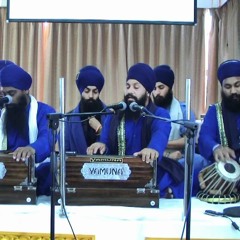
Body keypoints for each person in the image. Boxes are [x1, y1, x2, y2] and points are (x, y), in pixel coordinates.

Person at [87, 63, 171, 192]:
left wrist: (152, 149)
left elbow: (161, 134)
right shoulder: (114, 114)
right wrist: (101, 145)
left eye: (136, 87)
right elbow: (106, 143)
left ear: (148, 92)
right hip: (117, 179)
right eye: (127, 86)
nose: (130, 91)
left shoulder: (159, 114)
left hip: (149, 176)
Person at [152, 64, 209, 198]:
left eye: (161, 88)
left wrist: (164, 145)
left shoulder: (183, 110)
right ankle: (170, 190)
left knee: (198, 161)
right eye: (154, 88)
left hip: (179, 157)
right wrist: (160, 147)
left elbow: (188, 139)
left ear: (170, 88)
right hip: (155, 157)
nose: (157, 93)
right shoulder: (148, 110)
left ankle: (171, 191)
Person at [0, 62, 56, 196]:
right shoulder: (3, 113)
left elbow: (48, 138)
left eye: (12, 93)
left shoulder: (45, 111)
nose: (8, 99)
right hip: (7, 177)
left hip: (38, 177)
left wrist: (32, 148)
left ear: (25, 90)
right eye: (4, 94)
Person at [198, 59, 240, 197]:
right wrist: (216, 147)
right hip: (225, 169)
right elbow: (204, 136)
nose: (233, 91)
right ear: (221, 88)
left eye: (237, 85)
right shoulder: (214, 111)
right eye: (227, 87)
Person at [65, 65, 107, 154]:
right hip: (76, 167)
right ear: (81, 91)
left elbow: (115, 145)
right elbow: (65, 151)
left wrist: (99, 129)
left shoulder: (110, 115)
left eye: (95, 92)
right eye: (87, 91)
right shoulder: (68, 119)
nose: (91, 96)